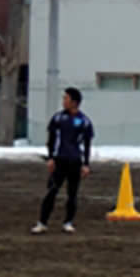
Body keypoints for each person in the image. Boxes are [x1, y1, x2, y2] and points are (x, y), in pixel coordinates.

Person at [32, 87, 93, 235]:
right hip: (59, 161)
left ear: (74, 102)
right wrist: (51, 158)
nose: (63, 101)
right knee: (51, 191)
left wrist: (85, 164)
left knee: (72, 194)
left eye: (66, 98)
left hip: (75, 162)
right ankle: (42, 223)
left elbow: (86, 144)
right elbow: (51, 140)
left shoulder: (84, 121)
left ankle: (68, 222)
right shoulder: (58, 118)